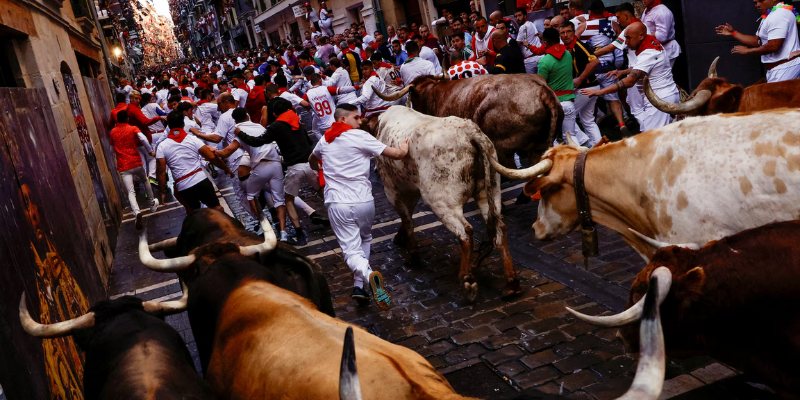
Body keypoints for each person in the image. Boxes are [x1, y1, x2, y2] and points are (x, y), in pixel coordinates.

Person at [308, 104, 409, 310]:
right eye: (356, 117)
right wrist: (405, 147)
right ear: (343, 119)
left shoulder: (325, 139)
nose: (360, 121)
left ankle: (369, 274)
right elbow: (397, 154)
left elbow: (312, 159)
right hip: (364, 202)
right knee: (365, 239)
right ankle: (359, 286)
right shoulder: (361, 137)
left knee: (351, 251)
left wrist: (318, 166)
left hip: (338, 203)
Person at [236, 97, 325, 245]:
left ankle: (299, 234)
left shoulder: (276, 126)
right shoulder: (297, 121)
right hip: (309, 164)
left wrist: (240, 133)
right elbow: (309, 142)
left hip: (293, 167)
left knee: (287, 200)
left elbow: (257, 141)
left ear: (275, 113)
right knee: (323, 192)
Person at [581, 22, 678, 131]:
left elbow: (630, 81)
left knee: (654, 140)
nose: (626, 42)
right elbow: (644, 68)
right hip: (663, 96)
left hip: (659, 99)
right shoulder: (650, 41)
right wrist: (623, 72)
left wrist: (600, 92)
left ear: (641, 36)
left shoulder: (649, 53)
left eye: (628, 38)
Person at [216, 108, 291, 241]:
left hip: (260, 167)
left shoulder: (238, 130)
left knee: (250, 196)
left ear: (235, 120)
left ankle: (263, 224)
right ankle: (284, 233)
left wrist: (213, 151)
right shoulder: (258, 126)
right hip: (275, 164)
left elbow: (226, 152)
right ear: (247, 115)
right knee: (279, 200)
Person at [156, 111, 230, 213]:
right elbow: (212, 157)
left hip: (183, 186)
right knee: (217, 209)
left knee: (193, 214)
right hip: (201, 181)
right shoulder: (193, 139)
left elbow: (161, 172)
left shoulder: (162, 146)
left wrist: (162, 192)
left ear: (168, 125)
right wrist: (226, 168)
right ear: (183, 124)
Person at [716, 0, 800, 82]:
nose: (757, 5)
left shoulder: (779, 14)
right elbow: (758, 41)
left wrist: (747, 51)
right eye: (755, 2)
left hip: (785, 68)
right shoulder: (770, 14)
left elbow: (773, 46)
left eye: (761, 1)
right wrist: (733, 33)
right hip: (779, 69)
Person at [538, 27, 589, 145]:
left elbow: (541, 85)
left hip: (554, 105)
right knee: (571, 135)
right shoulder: (568, 54)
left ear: (545, 42)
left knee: (553, 139)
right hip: (569, 103)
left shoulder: (544, 61)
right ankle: (585, 151)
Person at [109, 110, 158, 228]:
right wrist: (150, 150)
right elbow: (143, 139)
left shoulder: (113, 132)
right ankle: (152, 204)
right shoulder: (133, 128)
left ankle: (137, 212)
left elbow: (112, 148)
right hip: (136, 162)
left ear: (117, 120)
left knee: (130, 191)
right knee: (145, 180)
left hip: (123, 166)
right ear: (127, 119)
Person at [561, 22, 602, 146]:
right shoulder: (569, 48)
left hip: (585, 89)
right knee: (588, 120)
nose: (565, 35)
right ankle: (600, 146)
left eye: (568, 32)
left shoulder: (578, 46)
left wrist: (579, 79)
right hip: (590, 88)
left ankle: (585, 143)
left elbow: (595, 62)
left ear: (574, 33)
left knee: (565, 116)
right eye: (562, 33)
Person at [641, 0, 681, 67]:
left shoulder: (662, 11)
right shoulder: (647, 10)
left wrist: (642, 36)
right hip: (655, 51)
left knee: (661, 76)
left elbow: (662, 37)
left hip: (667, 50)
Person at [515, 7, 543, 73]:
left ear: (525, 16)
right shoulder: (531, 24)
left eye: (519, 15)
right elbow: (538, 35)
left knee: (531, 82)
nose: (517, 18)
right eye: (516, 16)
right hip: (540, 57)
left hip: (530, 60)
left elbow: (517, 42)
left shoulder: (523, 27)